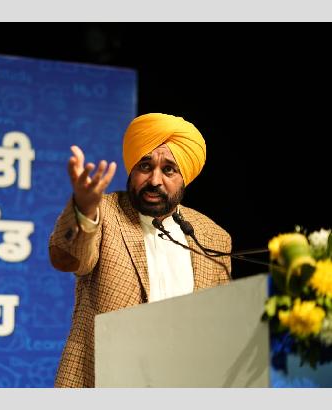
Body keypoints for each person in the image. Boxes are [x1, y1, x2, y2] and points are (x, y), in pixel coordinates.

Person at [49, 113, 232, 388]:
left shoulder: (213, 238)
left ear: (185, 178)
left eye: (168, 170)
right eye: (145, 166)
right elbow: (68, 259)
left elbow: (219, 328)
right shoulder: (104, 212)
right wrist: (84, 209)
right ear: (132, 169)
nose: (155, 180)